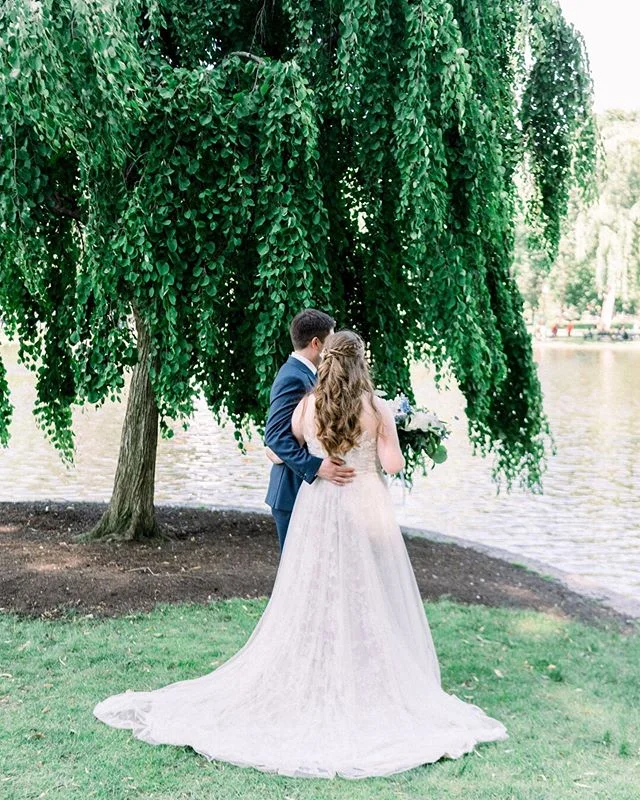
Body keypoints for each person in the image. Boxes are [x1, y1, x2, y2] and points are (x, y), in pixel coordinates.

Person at [92, 329, 508, 779]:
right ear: (361, 362)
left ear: (324, 359)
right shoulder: (375, 407)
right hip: (364, 503)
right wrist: (392, 434)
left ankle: (317, 668)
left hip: (319, 506)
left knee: (315, 588)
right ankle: (363, 678)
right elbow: (392, 465)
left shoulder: (308, 405)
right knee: (366, 591)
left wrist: (319, 457)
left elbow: (278, 446)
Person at [263, 309, 355, 552]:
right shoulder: (293, 377)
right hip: (291, 491)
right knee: (294, 576)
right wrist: (317, 466)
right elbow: (275, 436)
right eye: (331, 341)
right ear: (316, 343)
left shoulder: (306, 374)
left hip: (307, 492)